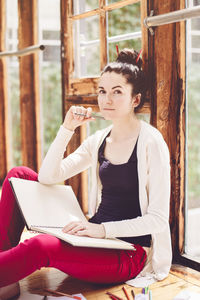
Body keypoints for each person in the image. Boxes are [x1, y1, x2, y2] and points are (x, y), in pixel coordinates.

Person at [0, 48, 172, 299]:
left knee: (38, 246)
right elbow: (49, 176)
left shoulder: (151, 142)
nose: (107, 100)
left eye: (117, 92)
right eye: (102, 91)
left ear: (135, 99)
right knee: (18, 175)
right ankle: (6, 278)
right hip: (92, 239)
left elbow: (157, 219)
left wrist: (101, 230)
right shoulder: (99, 139)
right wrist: (67, 128)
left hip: (127, 253)